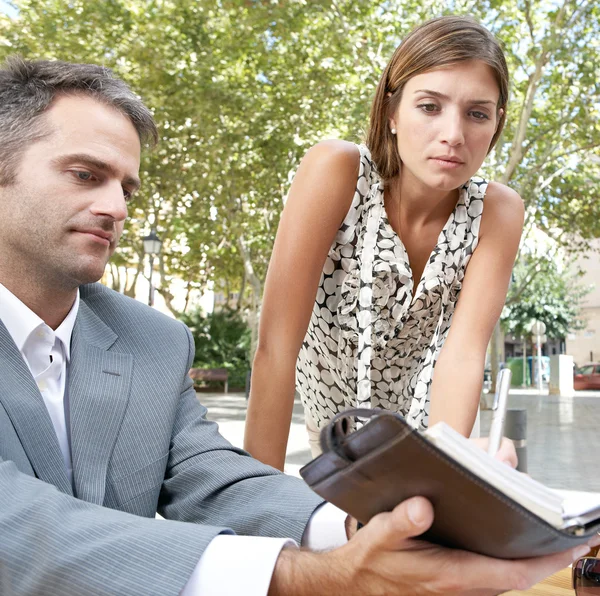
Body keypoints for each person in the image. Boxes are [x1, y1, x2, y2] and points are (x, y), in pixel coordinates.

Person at [0, 56, 593, 596]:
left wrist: (372, 526)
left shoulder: (153, 342)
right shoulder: (340, 172)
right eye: (84, 174)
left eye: (126, 186)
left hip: (401, 436)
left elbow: (216, 480)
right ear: (390, 111)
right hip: (332, 415)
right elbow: (22, 528)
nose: (119, 208)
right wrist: (300, 576)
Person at [244, 15, 525, 469]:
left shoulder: (499, 211)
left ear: (496, 123)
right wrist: (257, 498)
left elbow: (464, 355)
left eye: (477, 113)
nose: (453, 135)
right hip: (334, 435)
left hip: (426, 432)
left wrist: (441, 481)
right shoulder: (337, 171)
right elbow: (276, 347)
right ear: (392, 112)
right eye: (430, 106)